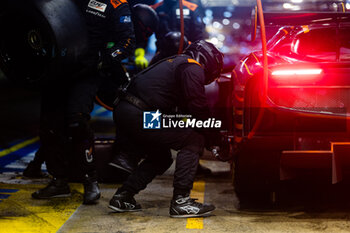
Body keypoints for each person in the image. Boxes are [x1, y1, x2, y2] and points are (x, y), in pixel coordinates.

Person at [31, 0, 135, 204]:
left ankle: (90, 178)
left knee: (77, 121)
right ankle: (59, 180)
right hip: (56, 70)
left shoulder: (115, 3)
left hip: (87, 73)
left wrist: (103, 60)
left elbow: (128, 42)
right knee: (50, 126)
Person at [108, 40, 223, 217]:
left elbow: (185, 113)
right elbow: (198, 108)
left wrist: (207, 131)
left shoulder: (177, 62)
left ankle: (123, 196)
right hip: (142, 114)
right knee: (193, 139)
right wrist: (215, 138)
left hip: (129, 110)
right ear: (208, 60)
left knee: (160, 157)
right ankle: (181, 202)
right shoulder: (192, 67)